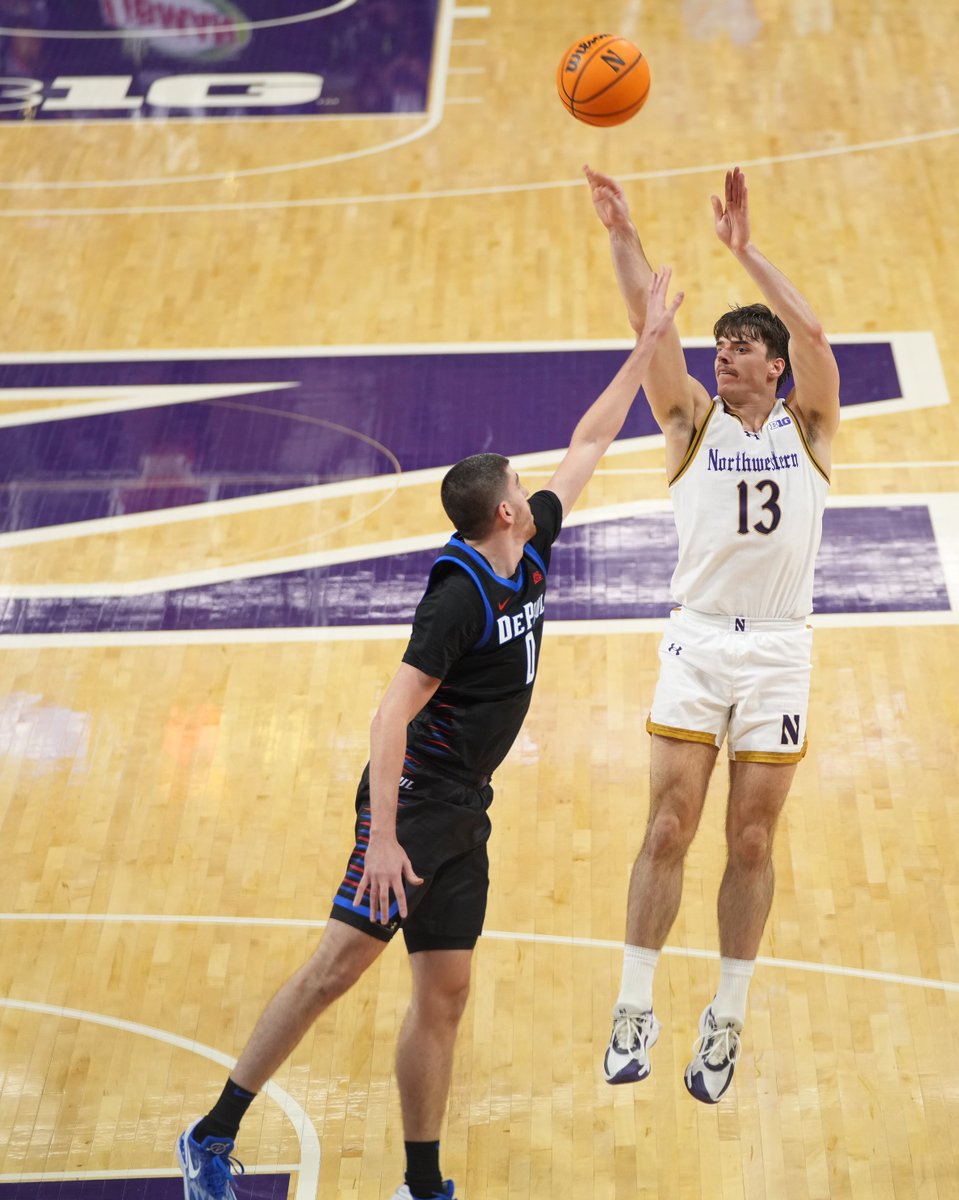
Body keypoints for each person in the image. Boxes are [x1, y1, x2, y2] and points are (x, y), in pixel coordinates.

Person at [175, 268, 684, 1200]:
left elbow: (591, 438)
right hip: (411, 809)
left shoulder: (528, 545)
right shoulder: (457, 599)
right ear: (503, 513)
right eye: (522, 486)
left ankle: (421, 1184)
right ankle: (210, 1135)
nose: (534, 487)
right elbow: (388, 714)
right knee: (335, 970)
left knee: (444, 992)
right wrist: (380, 838)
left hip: (462, 810)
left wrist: (648, 342)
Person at [585, 164, 841, 1103]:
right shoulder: (690, 421)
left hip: (778, 649)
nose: (724, 358)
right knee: (668, 825)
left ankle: (726, 1018)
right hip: (696, 642)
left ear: (774, 367)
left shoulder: (811, 426)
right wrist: (622, 233)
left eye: (742, 349)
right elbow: (648, 329)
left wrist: (746, 251)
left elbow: (815, 336)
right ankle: (634, 1005)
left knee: (753, 843)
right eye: (720, 346)